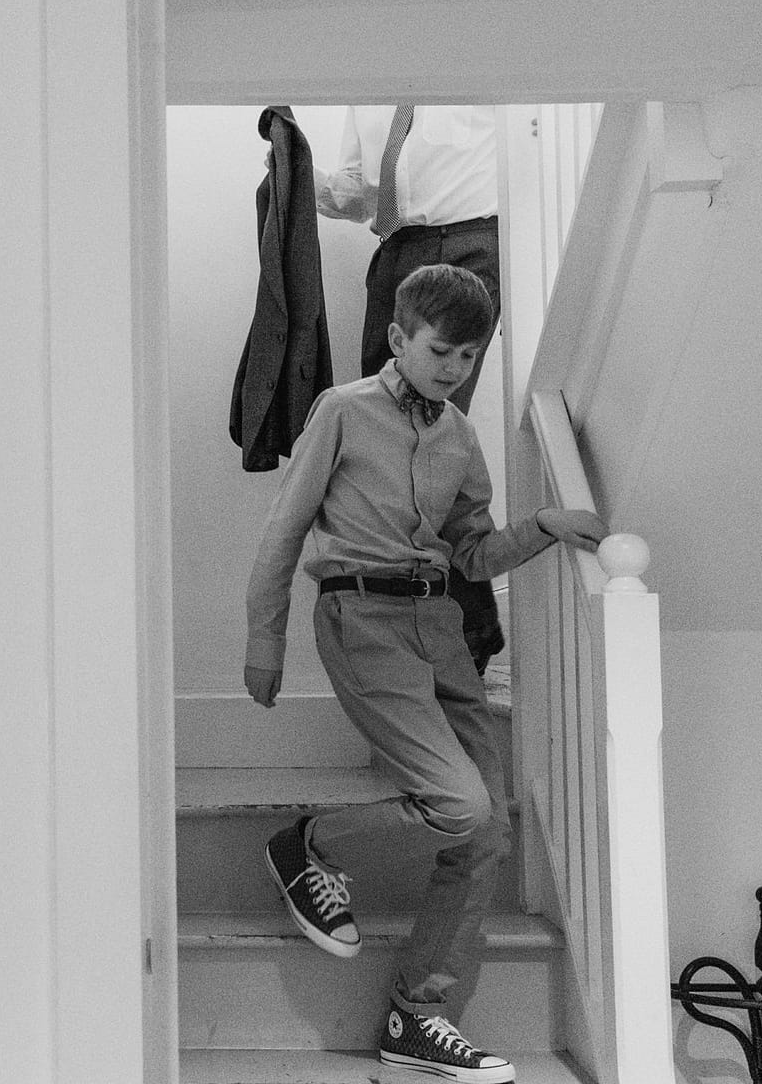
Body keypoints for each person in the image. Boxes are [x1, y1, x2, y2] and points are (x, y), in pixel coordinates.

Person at [242, 265, 605, 1084]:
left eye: (469, 357)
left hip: (439, 626)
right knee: (459, 801)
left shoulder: (458, 437)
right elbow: (284, 529)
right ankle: (308, 844)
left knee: (486, 829)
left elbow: (472, 551)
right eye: (441, 350)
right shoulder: (342, 411)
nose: (453, 369)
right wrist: (264, 638)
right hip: (360, 619)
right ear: (400, 338)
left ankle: (421, 1014)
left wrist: (543, 525)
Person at [314, 104, 507, 668]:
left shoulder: (469, 64)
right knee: (382, 439)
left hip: (472, 241)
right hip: (397, 249)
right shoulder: (366, 91)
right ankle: (411, 614)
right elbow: (357, 193)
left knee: (434, 434)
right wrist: (304, 177)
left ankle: (470, 628)